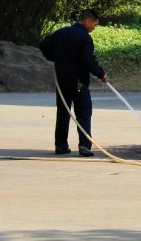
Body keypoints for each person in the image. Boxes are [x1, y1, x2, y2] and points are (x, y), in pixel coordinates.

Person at [39, 9, 107, 156]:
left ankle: (61, 145)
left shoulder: (61, 33)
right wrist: (101, 74)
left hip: (62, 80)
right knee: (83, 110)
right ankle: (84, 145)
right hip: (78, 81)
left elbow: (43, 45)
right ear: (88, 21)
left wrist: (56, 58)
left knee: (63, 111)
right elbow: (88, 61)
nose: (94, 27)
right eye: (95, 24)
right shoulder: (85, 38)